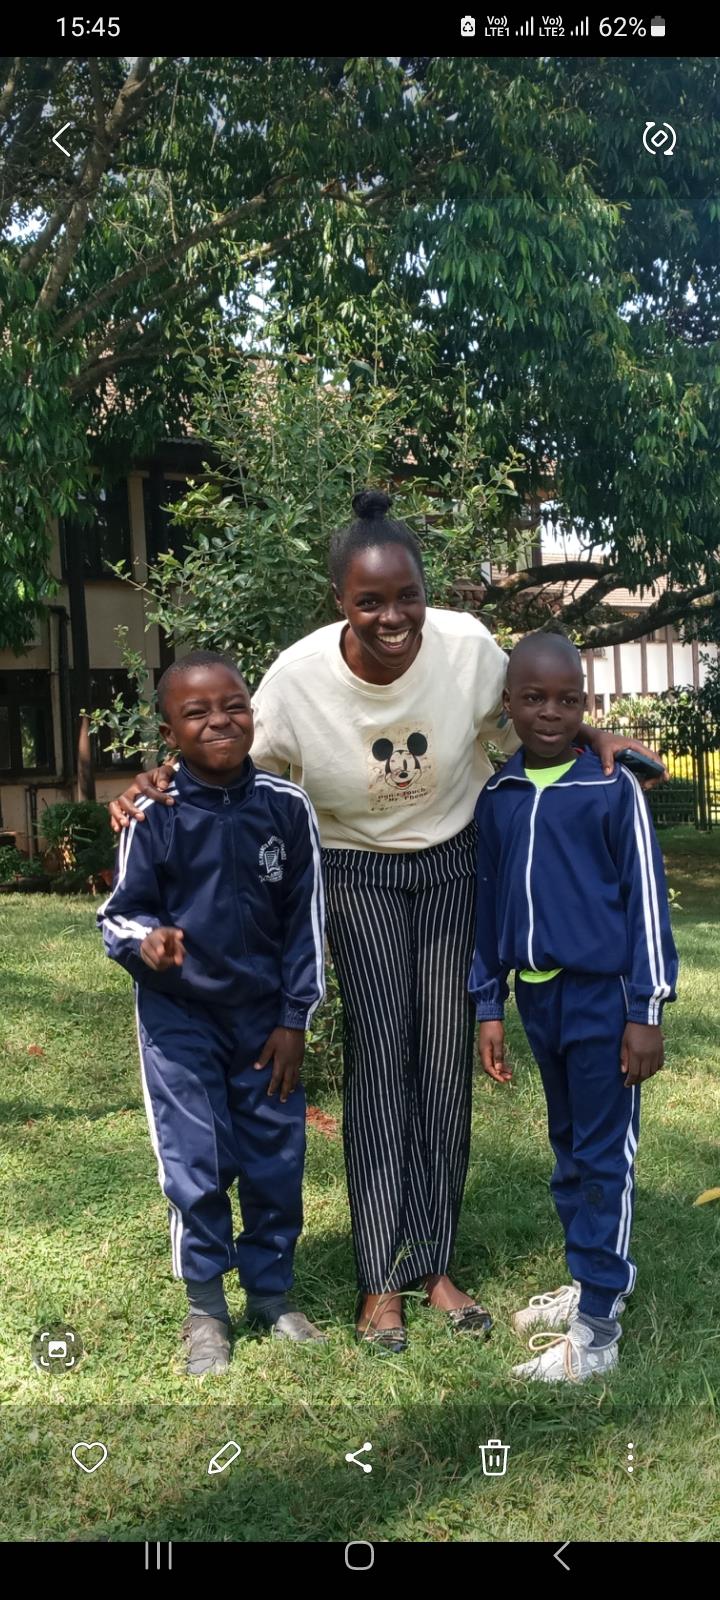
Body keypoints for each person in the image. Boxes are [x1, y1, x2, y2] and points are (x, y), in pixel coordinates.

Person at [109, 490, 664, 1355]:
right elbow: (224, 758)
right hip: (358, 871)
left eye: (408, 595)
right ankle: (379, 1279)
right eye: (370, 601)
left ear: (426, 591)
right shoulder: (297, 681)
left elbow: (533, 713)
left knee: (442, 1061)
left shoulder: (467, 649)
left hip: (453, 860)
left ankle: (433, 1264)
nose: (393, 616)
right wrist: (152, 780)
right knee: (380, 1062)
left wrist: (599, 737)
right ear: (340, 599)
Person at [98, 651, 326, 1375]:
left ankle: (271, 1293)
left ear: (253, 714)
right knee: (195, 1163)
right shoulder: (152, 810)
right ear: (170, 733)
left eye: (233, 706)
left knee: (275, 1159)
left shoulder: (286, 807)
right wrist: (148, 940)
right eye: (196, 713)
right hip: (180, 1021)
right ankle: (206, 1311)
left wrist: (295, 1019)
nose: (219, 721)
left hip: (265, 1023)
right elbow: (117, 913)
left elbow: (305, 923)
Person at [470, 631, 678, 1382]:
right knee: (568, 1148)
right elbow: (488, 905)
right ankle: (590, 1279)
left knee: (602, 1155)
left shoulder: (611, 786)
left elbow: (646, 902)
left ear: (585, 705)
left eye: (567, 700)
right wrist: (489, 1003)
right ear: (509, 704)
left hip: (604, 999)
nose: (551, 713)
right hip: (539, 998)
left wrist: (646, 1011)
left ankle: (597, 1332)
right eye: (534, 698)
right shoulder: (498, 796)